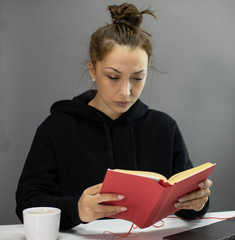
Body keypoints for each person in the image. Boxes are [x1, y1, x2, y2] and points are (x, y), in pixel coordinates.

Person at [15, 3, 212, 230]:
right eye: (113, 76)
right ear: (92, 70)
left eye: (138, 78)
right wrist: (76, 209)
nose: (126, 91)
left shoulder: (164, 127)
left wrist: (198, 202)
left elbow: (187, 205)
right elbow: (26, 203)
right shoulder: (57, 128)